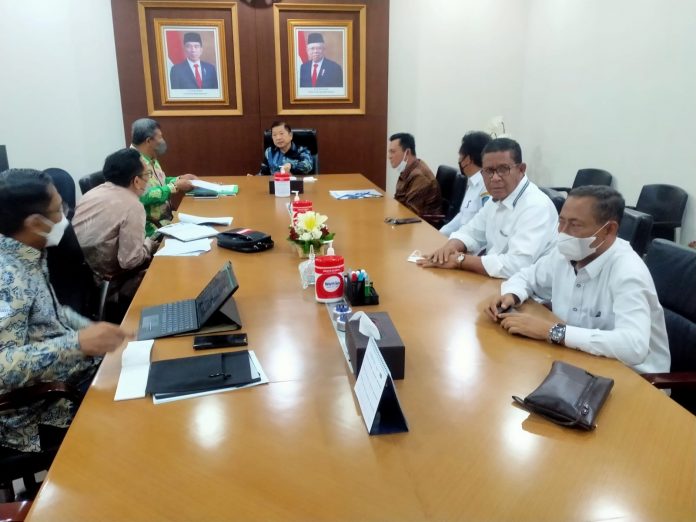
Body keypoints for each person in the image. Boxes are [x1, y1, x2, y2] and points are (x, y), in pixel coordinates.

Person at [0, 169, 128, 454]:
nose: (66, 216)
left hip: (71, 376)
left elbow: (52, 313)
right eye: (59, 209)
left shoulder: (28, 252)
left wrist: (94, 331)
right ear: (35, 223)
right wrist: (77, 343)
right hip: (37, 412)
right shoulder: (7, 278)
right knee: (138, 421)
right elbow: (2, 368)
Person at [486, 185, 670, 374]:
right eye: (561, 222)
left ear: (609, 229)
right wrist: (511, 294)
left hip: (632, 377)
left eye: (575, 225)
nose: (563, 233)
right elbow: (527, 277)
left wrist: (553, 331)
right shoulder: (566, 253)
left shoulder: (628, 271)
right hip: (578, 360)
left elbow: (633, 346)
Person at [418, 137, 557, 278]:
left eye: (503, 169)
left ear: (521, 169)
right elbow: (471, 231)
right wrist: (450, 247)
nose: (495, 178)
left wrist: (460, 260)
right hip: (495, 280)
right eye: (489, 171)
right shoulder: (496, 199)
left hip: (527, 288)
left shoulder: (536, 206)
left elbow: (516, 265)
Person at [72, 149, 159, 312]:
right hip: (110, 284)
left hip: (81, 276)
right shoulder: (132, 206)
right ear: (136, 180)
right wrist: (149, 245)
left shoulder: (92, 193)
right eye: (147, 175)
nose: (148, 180)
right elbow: (130, 261)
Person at [130, 118, 197, 237]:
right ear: (148, 141)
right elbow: (141, 197)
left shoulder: (150, 157)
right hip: (151, 230)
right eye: (160, 137)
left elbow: (160, 182)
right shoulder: (132, 163)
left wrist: (179, 179)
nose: (163, 141)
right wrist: (174, 186)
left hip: (167, 220)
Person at [440, 131, 492, 236]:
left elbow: (482, 230)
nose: (459, 160)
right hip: (459, 239)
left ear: (468, 159)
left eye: (460, 155)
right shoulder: (472, 183)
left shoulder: (487, 187)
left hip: (469, 243)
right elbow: (462, 217)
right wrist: (440, 234)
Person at [389, 132, 442, 219]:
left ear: (407, 152)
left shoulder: (420, 177)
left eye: (393, 152)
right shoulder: (408, 169)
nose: (389, 156)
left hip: (422, 225)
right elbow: (398, 201)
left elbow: (409, 214)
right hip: (407, 220)